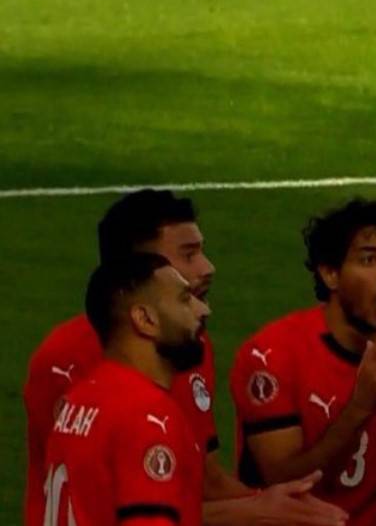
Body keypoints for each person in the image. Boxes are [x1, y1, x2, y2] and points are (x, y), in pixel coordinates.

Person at [24, 189, 346, 526]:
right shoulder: (129, 402)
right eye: (188, 255)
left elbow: (201, 480)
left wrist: (268, 505)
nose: (207, 268)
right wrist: (259, 510)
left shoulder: (120, 378)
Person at [230, 199, 376, 525]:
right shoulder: (272, 355)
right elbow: (284, 484)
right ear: (330, 274)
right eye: (369, 259)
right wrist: (360, 407)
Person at [44, 252, 209, 525]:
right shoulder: (147, 415)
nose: (202, 310)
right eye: (184, 299)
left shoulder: (77, 402)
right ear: (145, 319)